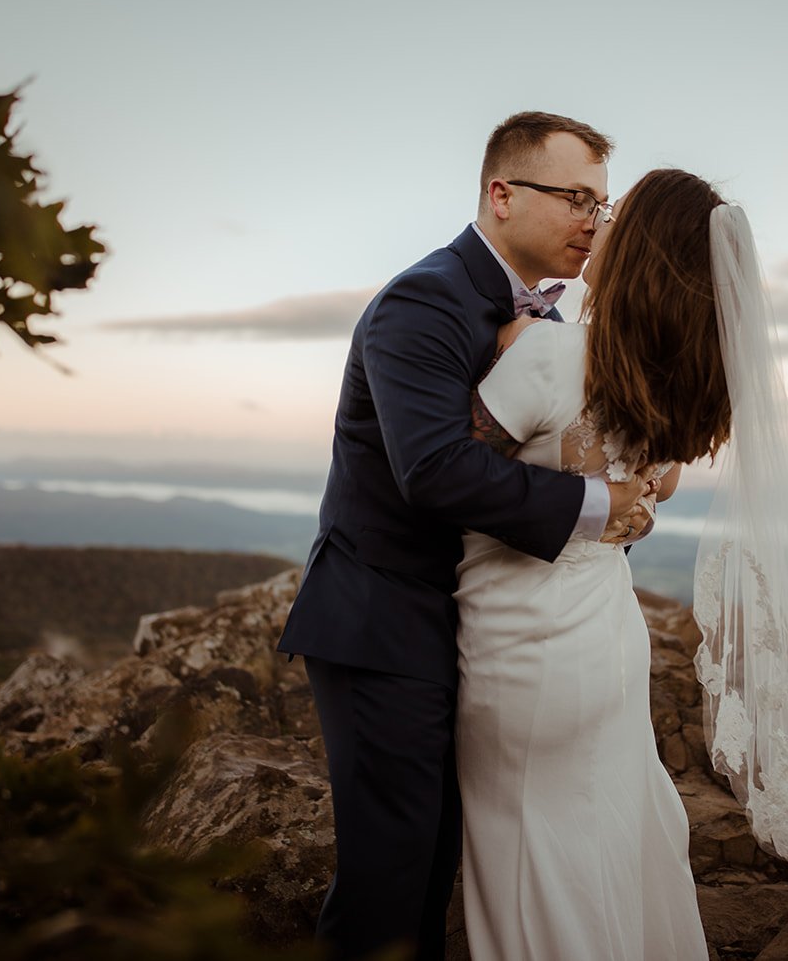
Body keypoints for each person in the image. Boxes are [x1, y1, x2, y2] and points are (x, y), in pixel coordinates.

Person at [455, 168, 788, 959]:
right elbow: (653, 487)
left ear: (644, 250)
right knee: (610, 848)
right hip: (608, 645)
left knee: (530, 871)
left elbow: (440, 476)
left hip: (520, 650)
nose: (602, 220)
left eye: (618, 211)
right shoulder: (660, 388)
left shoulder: (553, 357)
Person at [276, 112, 650, 961]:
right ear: (502, 193)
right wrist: (602, 505)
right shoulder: (425, 299)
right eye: (575, 199)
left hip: (474, 625)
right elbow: (435, 471)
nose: (592, 221)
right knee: (391, 879)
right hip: (382, 616)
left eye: (602, 202)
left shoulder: (551, 323)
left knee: (441, 859)